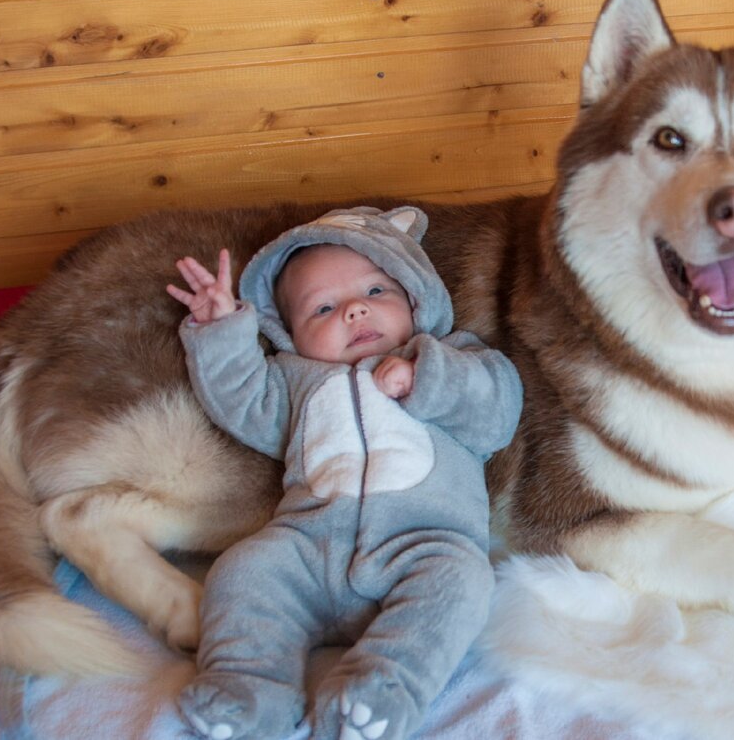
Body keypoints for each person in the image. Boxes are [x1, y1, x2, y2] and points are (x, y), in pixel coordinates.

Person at [165, 206, 523, 740]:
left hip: (423, 544)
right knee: (244, 571)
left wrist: (428, 375)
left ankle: (379, 689)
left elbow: (497, 410)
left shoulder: (456, 357)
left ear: (415, 298)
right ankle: (249, 690)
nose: (355, 311)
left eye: (376, 293)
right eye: (324, 308)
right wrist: (220, 330)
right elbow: (238, 399)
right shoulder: (292, 383)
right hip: (307, 549)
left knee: (464, 581)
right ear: (288, 336)